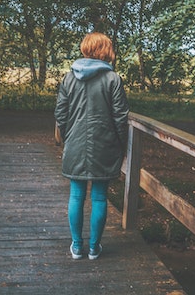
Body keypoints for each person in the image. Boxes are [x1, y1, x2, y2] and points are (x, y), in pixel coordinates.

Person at [54, 32, 130, 260]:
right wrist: (120, 144)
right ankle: (94, 248)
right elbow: (120, 117)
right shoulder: (113, 79)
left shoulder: (69, 78)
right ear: (105, 50)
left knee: (76, 196)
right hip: (104, 145)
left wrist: (69, 137)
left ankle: (77, 247)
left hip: (75, 145)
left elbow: (60, 114)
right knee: (99, 197)